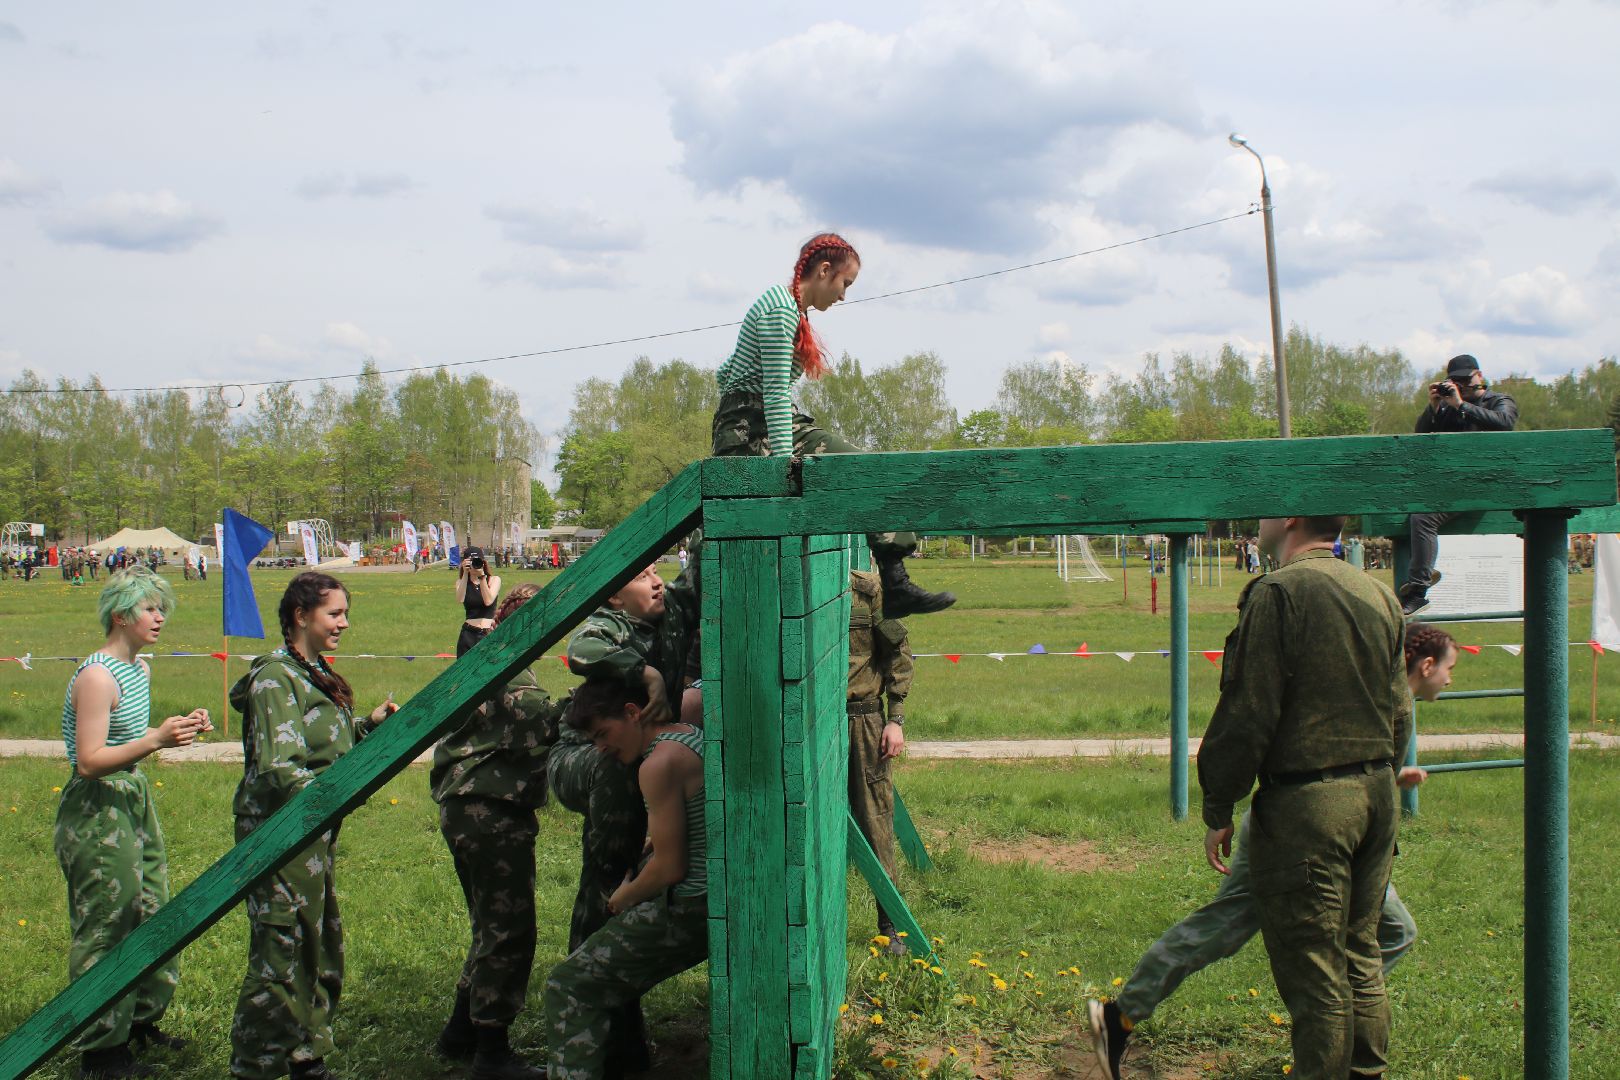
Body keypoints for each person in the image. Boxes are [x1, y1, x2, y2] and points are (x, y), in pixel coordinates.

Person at [1088, 621, 1460, 1079]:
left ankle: (1328, 1026)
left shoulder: (1377, 693)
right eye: (1449, 668)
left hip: (1326, 833)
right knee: (1238, 922)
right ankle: (1121, 1017)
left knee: (1388, 931)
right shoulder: (1373, 694)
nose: (1450, 678)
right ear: (1426, 664)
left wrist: (1388, 778)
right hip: (1305, 833)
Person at [1192, 514, 1408, 1079]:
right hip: (1376, 795)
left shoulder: (1280, 591)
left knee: (1317, 976)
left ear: (1288, 519)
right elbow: (1399, 709)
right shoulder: (1378, 593)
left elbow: (1248, 709)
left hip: (1311, 807)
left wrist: (1220, 802)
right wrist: (1382, 778)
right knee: (1361, 957)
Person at [710, 232, 955, 619]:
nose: (843, 295)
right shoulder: (781, 310)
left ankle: (895, 580)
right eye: (845, 284)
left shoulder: (791, 308)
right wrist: (784, 462)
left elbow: (725, 373)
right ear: (825, 271)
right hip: (750, 431)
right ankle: (896, 583)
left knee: (861, 469)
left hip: (752, 423)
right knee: (859, 468)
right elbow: (773, 392)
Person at [228, 572, 399, 1080]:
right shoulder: (274, 679)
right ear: (301, 616)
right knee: (281, 953)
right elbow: (283, 770)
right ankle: (254, 1065)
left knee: (318, 946)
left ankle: (306, 1056)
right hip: (279, 837)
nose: (344, 623)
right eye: (335, 614)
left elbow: (326, 753)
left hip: (313, 835)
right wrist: (347, 790)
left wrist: (367, 727)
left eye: (346, 613)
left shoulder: (313, 671)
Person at [55, 568, 211, 1080]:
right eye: (150, 608)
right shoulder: (96, 675)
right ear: (121, 616)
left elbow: (132, 735)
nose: (160, 616)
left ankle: (138, 1022)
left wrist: (177, 727)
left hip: (132, 793)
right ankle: (100, 1052)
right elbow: (89, 760)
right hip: (97, 805)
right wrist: (156, 742)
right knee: (108, 921)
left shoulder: (138, 671)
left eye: (161, 607)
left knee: (150, 908)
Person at [549, 555, 701, 1074]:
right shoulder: (609, 624)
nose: (656, 580)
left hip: (641, 745)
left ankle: (612, 1008)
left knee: (652, 832)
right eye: (640, 576)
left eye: (658, 570)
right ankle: (595, 996)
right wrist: (646, 671)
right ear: (614, 596)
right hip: (587, 755)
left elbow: (705, 558)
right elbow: (581, 648)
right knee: (609, 874)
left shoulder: (674, 607)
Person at [431, 583, 561, 1080]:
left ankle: (460, 1032)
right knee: (509, 928)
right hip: (490, 809)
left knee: (489, 923)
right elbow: (543, 726)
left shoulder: (494, 658)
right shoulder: (513, 672)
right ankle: (491, 1052)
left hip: (471, 806)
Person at [1401, 354, 1519, 615]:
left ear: (1479, 375)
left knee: (1423, 518)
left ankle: (1418, 590)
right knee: (1412, 509)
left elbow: (1505, 423)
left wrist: (1461, 404)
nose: (1463, 385)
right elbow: (1421, 438)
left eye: (1467, 379)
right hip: (1452, 485)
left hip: (1485, 484)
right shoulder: (1446, 409)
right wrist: (1433, 407)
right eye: (1457, 381)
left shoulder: (1499, 400)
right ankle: (1417, 584)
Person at [846, 569, 912, 949]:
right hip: (812, 720)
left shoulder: (866, 589)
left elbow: (898, 654)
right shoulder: (797, 578)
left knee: (876, 822)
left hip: (864, 720)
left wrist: (896, 719)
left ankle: (891, 924)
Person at [455, 546, 501, 656]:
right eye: (471, 562)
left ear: (483, 563)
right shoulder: (461, 582)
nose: (474, 565)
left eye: (477, 561)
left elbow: (488, 600)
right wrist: (465, 574)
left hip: (488, 633)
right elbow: (460, 599)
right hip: (468, 634)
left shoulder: (494, 580)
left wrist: (482, 577)